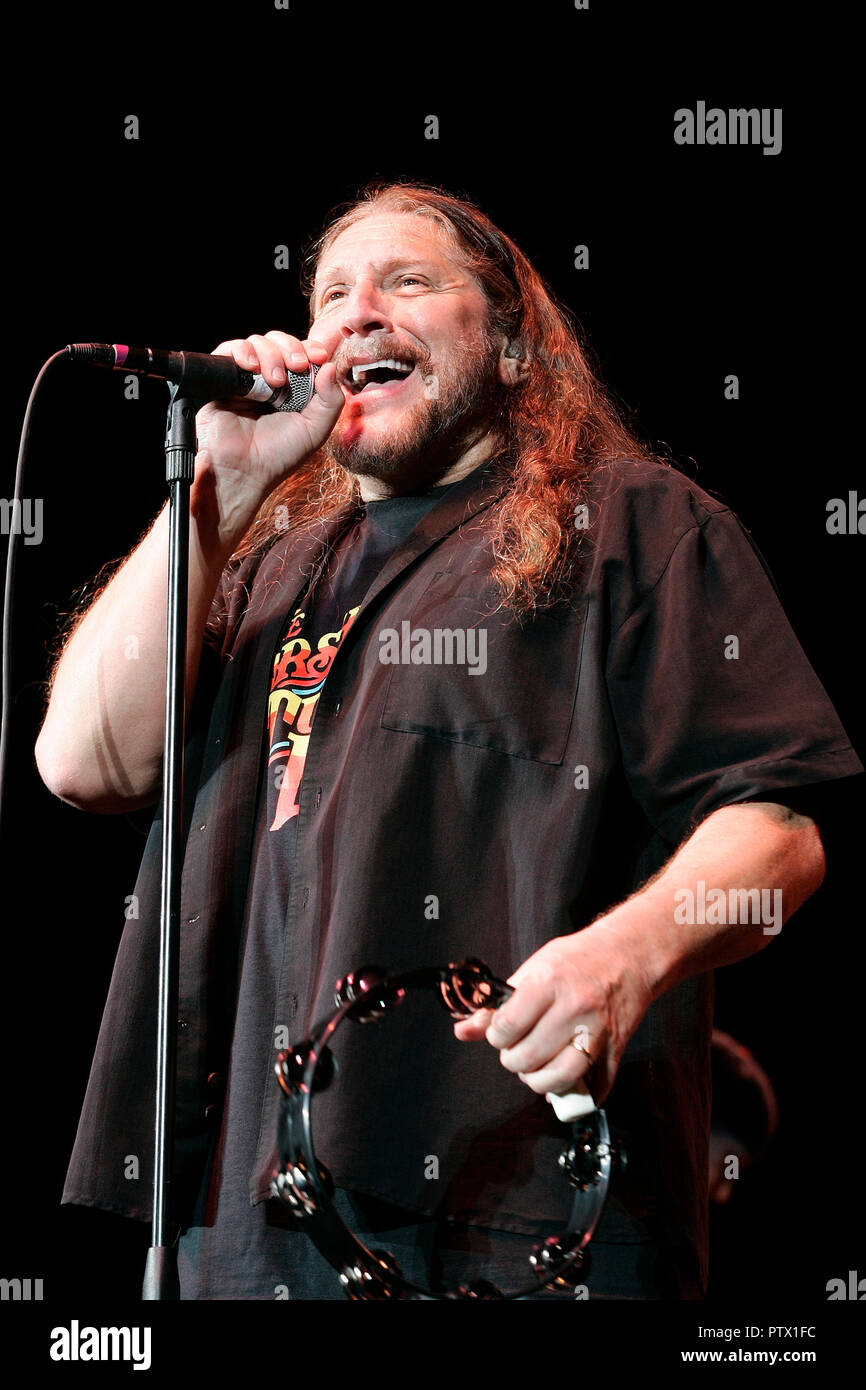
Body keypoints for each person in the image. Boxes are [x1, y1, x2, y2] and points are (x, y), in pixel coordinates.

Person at [36, 182, 862, 1301]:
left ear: (515, 345)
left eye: (406, 282)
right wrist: (218, 498)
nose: (355, 314)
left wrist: (620, 958)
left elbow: (776, 831)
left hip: (510, 1225)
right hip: (240, 1232)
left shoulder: (628, 524)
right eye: (329, 293)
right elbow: (85, 762)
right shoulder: (264, 567)